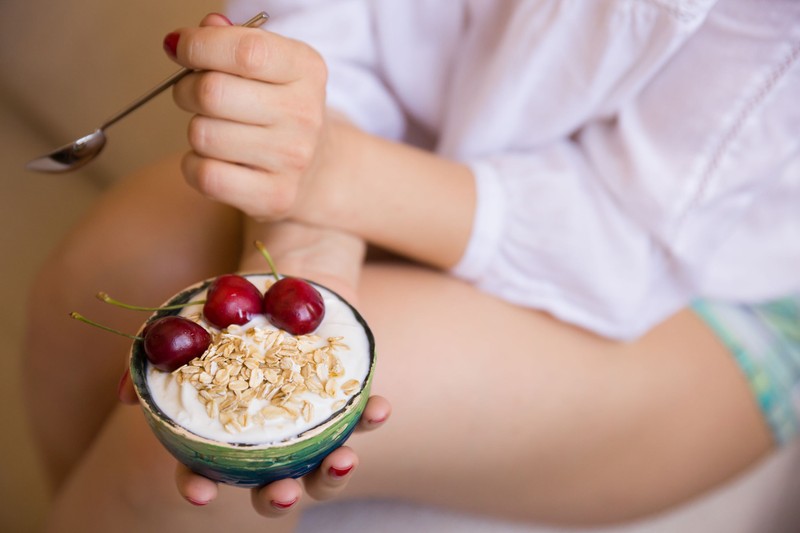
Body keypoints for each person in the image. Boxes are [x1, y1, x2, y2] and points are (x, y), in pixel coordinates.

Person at [24, 1, 800, 531]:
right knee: (109, 268)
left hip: (697, 279)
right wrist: (307, 240)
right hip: (424, 135)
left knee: (154, 468)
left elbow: (629, 238)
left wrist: (340, 173)